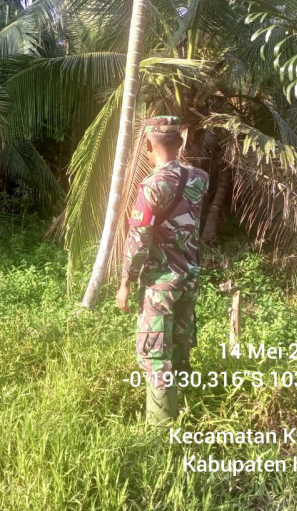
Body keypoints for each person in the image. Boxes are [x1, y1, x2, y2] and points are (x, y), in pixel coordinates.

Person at [115, 115, 209, 425]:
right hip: (189, 278)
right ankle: (187, 413)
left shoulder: (153, 186)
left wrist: (126, 281)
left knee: (155, 354)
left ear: (146, 144)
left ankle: (161, 429)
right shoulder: (200, 178)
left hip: (160, 284)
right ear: (180, 142)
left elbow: (139, 240)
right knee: (180, 347)